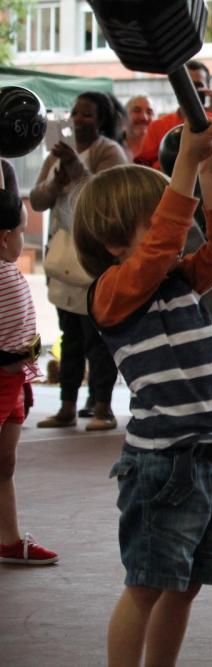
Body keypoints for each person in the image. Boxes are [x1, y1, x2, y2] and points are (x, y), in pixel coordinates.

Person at [72, 119, 212, 665]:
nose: (174, 231)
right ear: (117, 242)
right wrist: (183, 167)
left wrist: (209, 177)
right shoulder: (111, 294)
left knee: (184, 584)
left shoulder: (178, 278)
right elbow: (168, 238)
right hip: (163, 466)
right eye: (156, 223)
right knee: (146, 585)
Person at [30, 91, 126, 431]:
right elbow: (39, 201)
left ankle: (103, 407)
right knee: (68, 336)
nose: (78, 119)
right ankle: (66, 406)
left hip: (94, 262)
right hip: (62, 261)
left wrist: (75, 164)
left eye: (87, 114)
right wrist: (57, 177)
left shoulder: (109, 151)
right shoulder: (55, 154)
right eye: (75, 113)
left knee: (97, 338)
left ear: (101, 119)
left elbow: (103, 197)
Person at [0, 184, 57, 566]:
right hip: (4, 376)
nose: (25, 238)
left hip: (16, 382)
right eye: (22, 231)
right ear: (5, 237)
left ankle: (9, 539)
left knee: (5, 463)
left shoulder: (10, 272)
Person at [134, 60, 212, 169]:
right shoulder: (158, 126)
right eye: (188, 85)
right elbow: (142, 165)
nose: (192, 91)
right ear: (178, 87)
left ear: (208, 89)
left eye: (198, 86)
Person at [122, 95, 154, 162]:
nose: (144, 117)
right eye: (137, 111)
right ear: (124, 117)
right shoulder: (113, 147)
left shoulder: (162, 149)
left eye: (149, 112)